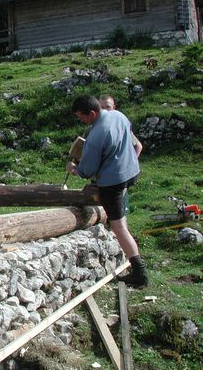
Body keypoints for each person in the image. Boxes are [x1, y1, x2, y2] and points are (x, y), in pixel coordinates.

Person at [66, 95, 148, 288]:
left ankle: (139, 272)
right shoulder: (118, 115)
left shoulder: (97, 135)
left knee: (118, 226)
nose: (81, 121)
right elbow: (128, 140)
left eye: (82, 117)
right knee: (120, 216)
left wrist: (74, 168)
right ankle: (131, 257)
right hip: (131, 171)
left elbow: (87, 171)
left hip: (114, 182)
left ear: (92, 113)